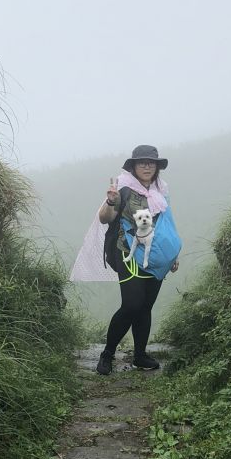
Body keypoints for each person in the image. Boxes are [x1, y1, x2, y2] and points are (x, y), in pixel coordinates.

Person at [96, 145, 181, 375]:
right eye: (142, 162)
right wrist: (110, 202)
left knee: (145, 307)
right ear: (133, 166)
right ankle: (107, 354)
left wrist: (172, 253)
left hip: (156, 256)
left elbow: (167, 225)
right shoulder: (123, 190)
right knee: (132, 304)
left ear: (157, 167)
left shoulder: (161, 191)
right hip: (129, 253)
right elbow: (106, 219)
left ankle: (140, 356)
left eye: (151, 163)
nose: (146, 166)